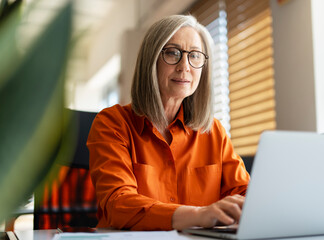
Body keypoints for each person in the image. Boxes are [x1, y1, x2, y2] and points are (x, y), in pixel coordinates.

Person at [87, 15, 250, 231]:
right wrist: (198, 215)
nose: (185, 66)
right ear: (151, 60)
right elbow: (119, 204)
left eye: (195, 55)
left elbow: (244, 195)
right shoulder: (112, 123)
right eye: (173, 53)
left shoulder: (214, 132)